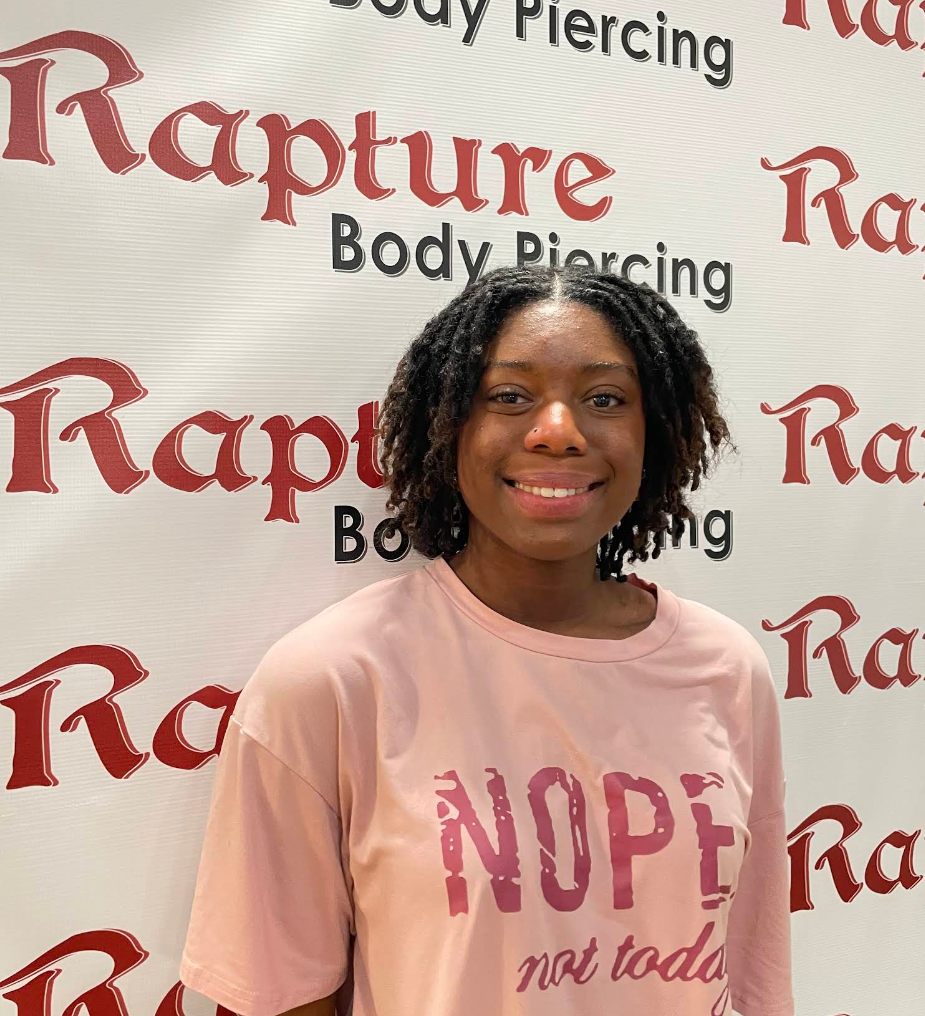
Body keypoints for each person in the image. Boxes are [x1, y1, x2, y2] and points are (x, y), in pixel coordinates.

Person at [179, 265, 793, 1016]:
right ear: (447, 425)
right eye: (509, 396)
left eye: (604, 399)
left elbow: (751, 967)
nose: (558, 432)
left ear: (655, 430)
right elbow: (277, 996)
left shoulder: (725, 666)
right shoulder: (332, 679)